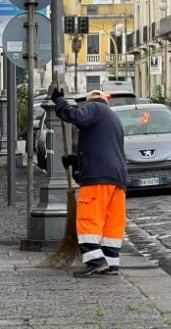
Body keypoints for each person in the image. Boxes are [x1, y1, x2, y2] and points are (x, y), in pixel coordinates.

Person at [51, 89, 128, 278]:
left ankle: (95, 261)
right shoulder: (113, 118)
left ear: (91, 101)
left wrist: (59, 101)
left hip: (98, 176)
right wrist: (75, 163)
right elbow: (101, 147)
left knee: (89, 217)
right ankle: (111, 262)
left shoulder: (95, 108)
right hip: (117, 179)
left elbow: (75, 116)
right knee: (112, 221)